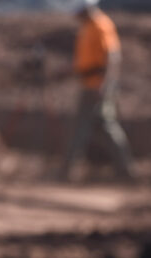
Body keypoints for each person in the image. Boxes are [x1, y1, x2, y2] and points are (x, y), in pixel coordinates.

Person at [59, 0, 134, 181]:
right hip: (89, 84)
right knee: (103, 127)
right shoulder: (86, 27)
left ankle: (68, 171)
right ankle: (124, 170)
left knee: (85, 128)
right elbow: (85, 61)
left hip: (97, 87)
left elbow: (112, 58)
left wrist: (105, 86)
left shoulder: (101, 26)